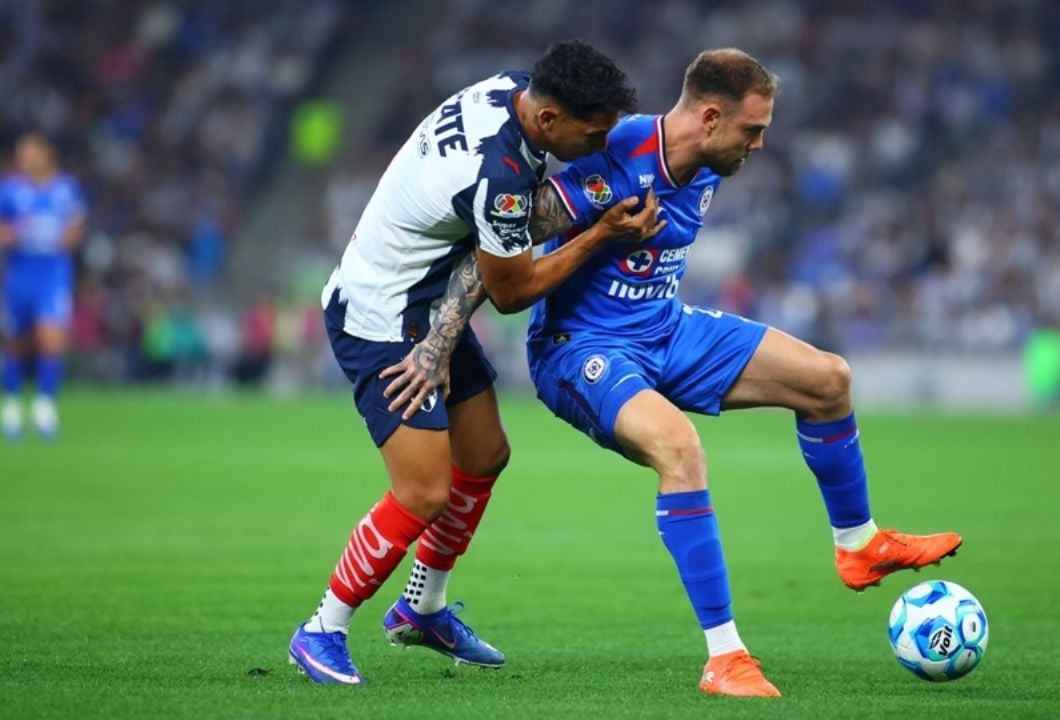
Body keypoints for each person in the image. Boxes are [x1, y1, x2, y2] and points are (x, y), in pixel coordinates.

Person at [407, 49, 963, 698]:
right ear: (708, 117)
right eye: (752, 130)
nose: (761, 144)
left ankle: (859, 544)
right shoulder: (612, 161)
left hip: (666, 331)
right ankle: (724, 658)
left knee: (828, 380)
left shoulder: (707, 157)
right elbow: (503, 243)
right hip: (581, 349)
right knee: (680, 449)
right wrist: (438, 341)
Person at [291, 40, 663, 685]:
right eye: (593, 132)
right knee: (424, 490)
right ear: (549, 120)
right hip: (381, 316)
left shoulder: (509, 88)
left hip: (426, 303)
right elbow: (513, 292)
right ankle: (322, 628)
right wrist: (599, 235)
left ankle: (421, 608)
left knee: (485, 454)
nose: (600, 144)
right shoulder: (500, 177)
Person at [0, 132, 87, 440]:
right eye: (20, 154)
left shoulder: (66, 189)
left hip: (52, 277)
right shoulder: (9, 190)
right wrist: (3, 233)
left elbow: (76, 229)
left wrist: (65, 238)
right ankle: (10, 409)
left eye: (29, 153)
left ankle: (44, 409)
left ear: (46, 153)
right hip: (19, 277)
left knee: (52, 340)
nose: (23, 159)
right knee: (17, 346)